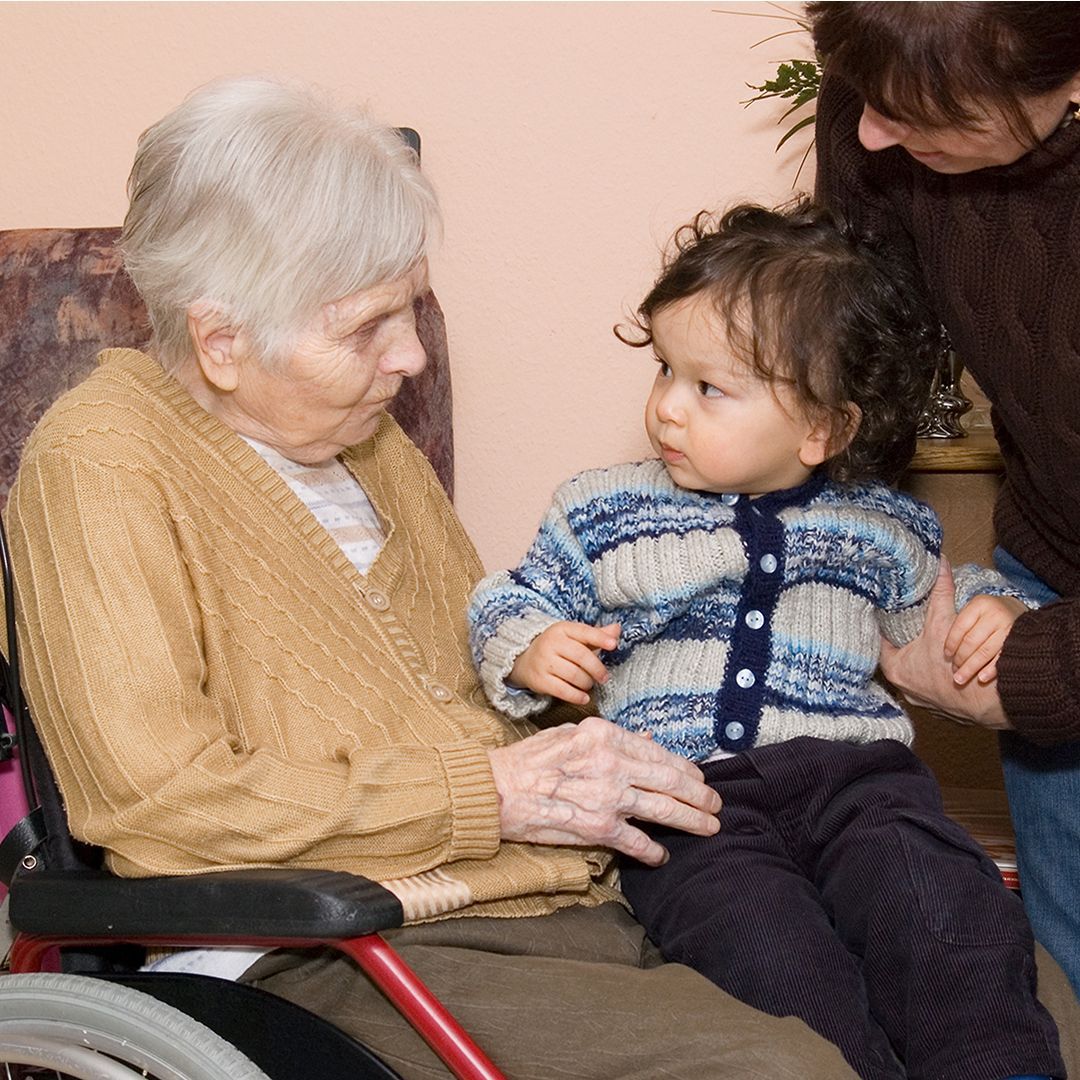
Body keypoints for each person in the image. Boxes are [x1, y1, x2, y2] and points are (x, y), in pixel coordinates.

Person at [1, 75, 867, 1080]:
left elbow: (480, 690)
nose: (411, 355)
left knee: (962, 995)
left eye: (411, 309)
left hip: (555, 908)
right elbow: (158, 804)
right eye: (368, 326)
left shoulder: (370, 446)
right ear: (222, 340)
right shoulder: (101, 463)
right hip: (329, 949)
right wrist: (492, 792)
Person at [468, 200, 1071, 1080]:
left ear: (823, 428)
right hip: (688, 802)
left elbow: (944, 606)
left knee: (946, 912)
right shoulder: (602, 510)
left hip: (862, 785)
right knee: (769, 957)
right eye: (664, 369)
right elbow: (506, 597)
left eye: (708, 388)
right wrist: (527, 645)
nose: (668, 408)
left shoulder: (884, 524)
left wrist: (1001, 612)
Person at [808, 1, 1080, 998]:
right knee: (1064, 979)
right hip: (1049, 555)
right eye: (865, 98)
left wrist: (1044, 668)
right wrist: (855, 548)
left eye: (925, 112)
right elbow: (860, 353)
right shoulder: (891, 85)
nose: (872, 133)